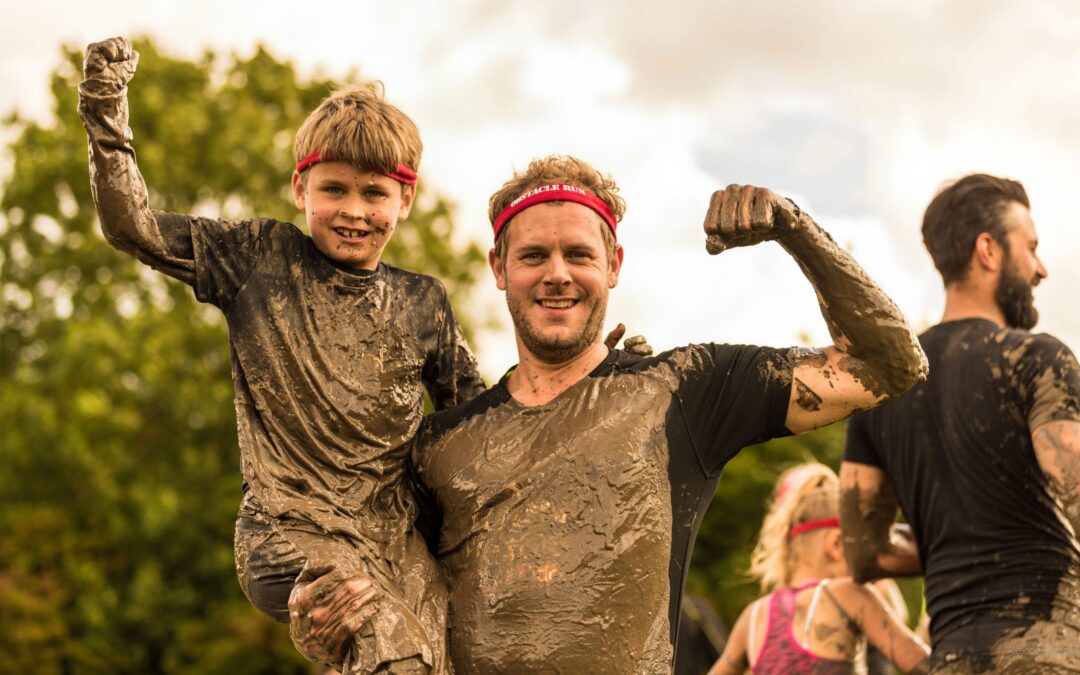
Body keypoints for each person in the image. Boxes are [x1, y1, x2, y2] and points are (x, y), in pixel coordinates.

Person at [292, 155, 929, 673]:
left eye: (579, 255)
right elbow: (388, 601)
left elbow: (889, 364)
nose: (558, 275)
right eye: (534, 256)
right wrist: (322, 626)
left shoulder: (685, 388)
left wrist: (795, 228)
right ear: (499, 269)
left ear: (614, 265)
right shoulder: (442, 443)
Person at [79, 36, 487, 675]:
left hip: (394, 540)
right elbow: (131, 226)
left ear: (404, 200)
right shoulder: (259, 260)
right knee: (388, 641)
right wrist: (106, 110)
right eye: (335, 190)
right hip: (287, 531)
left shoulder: (423, 302)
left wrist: (600, 376)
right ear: (301, 188)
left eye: (375, 194)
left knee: (454, 649)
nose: (354, 211)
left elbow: (481, 424)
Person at [840, 173, 1080, 673]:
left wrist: (951, 542)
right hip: (1049, 652)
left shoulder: (884, 387)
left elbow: (864, 553)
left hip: (951, 658)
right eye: (1031, 247)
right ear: (988, 250)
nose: (1041, 268)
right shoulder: (1036, 359)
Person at [709, 463, 929, 674]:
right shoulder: (848, 594)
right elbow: (926, 666)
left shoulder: (754, 615)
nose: (868, 561)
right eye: (863, 545)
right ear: (836, 544)